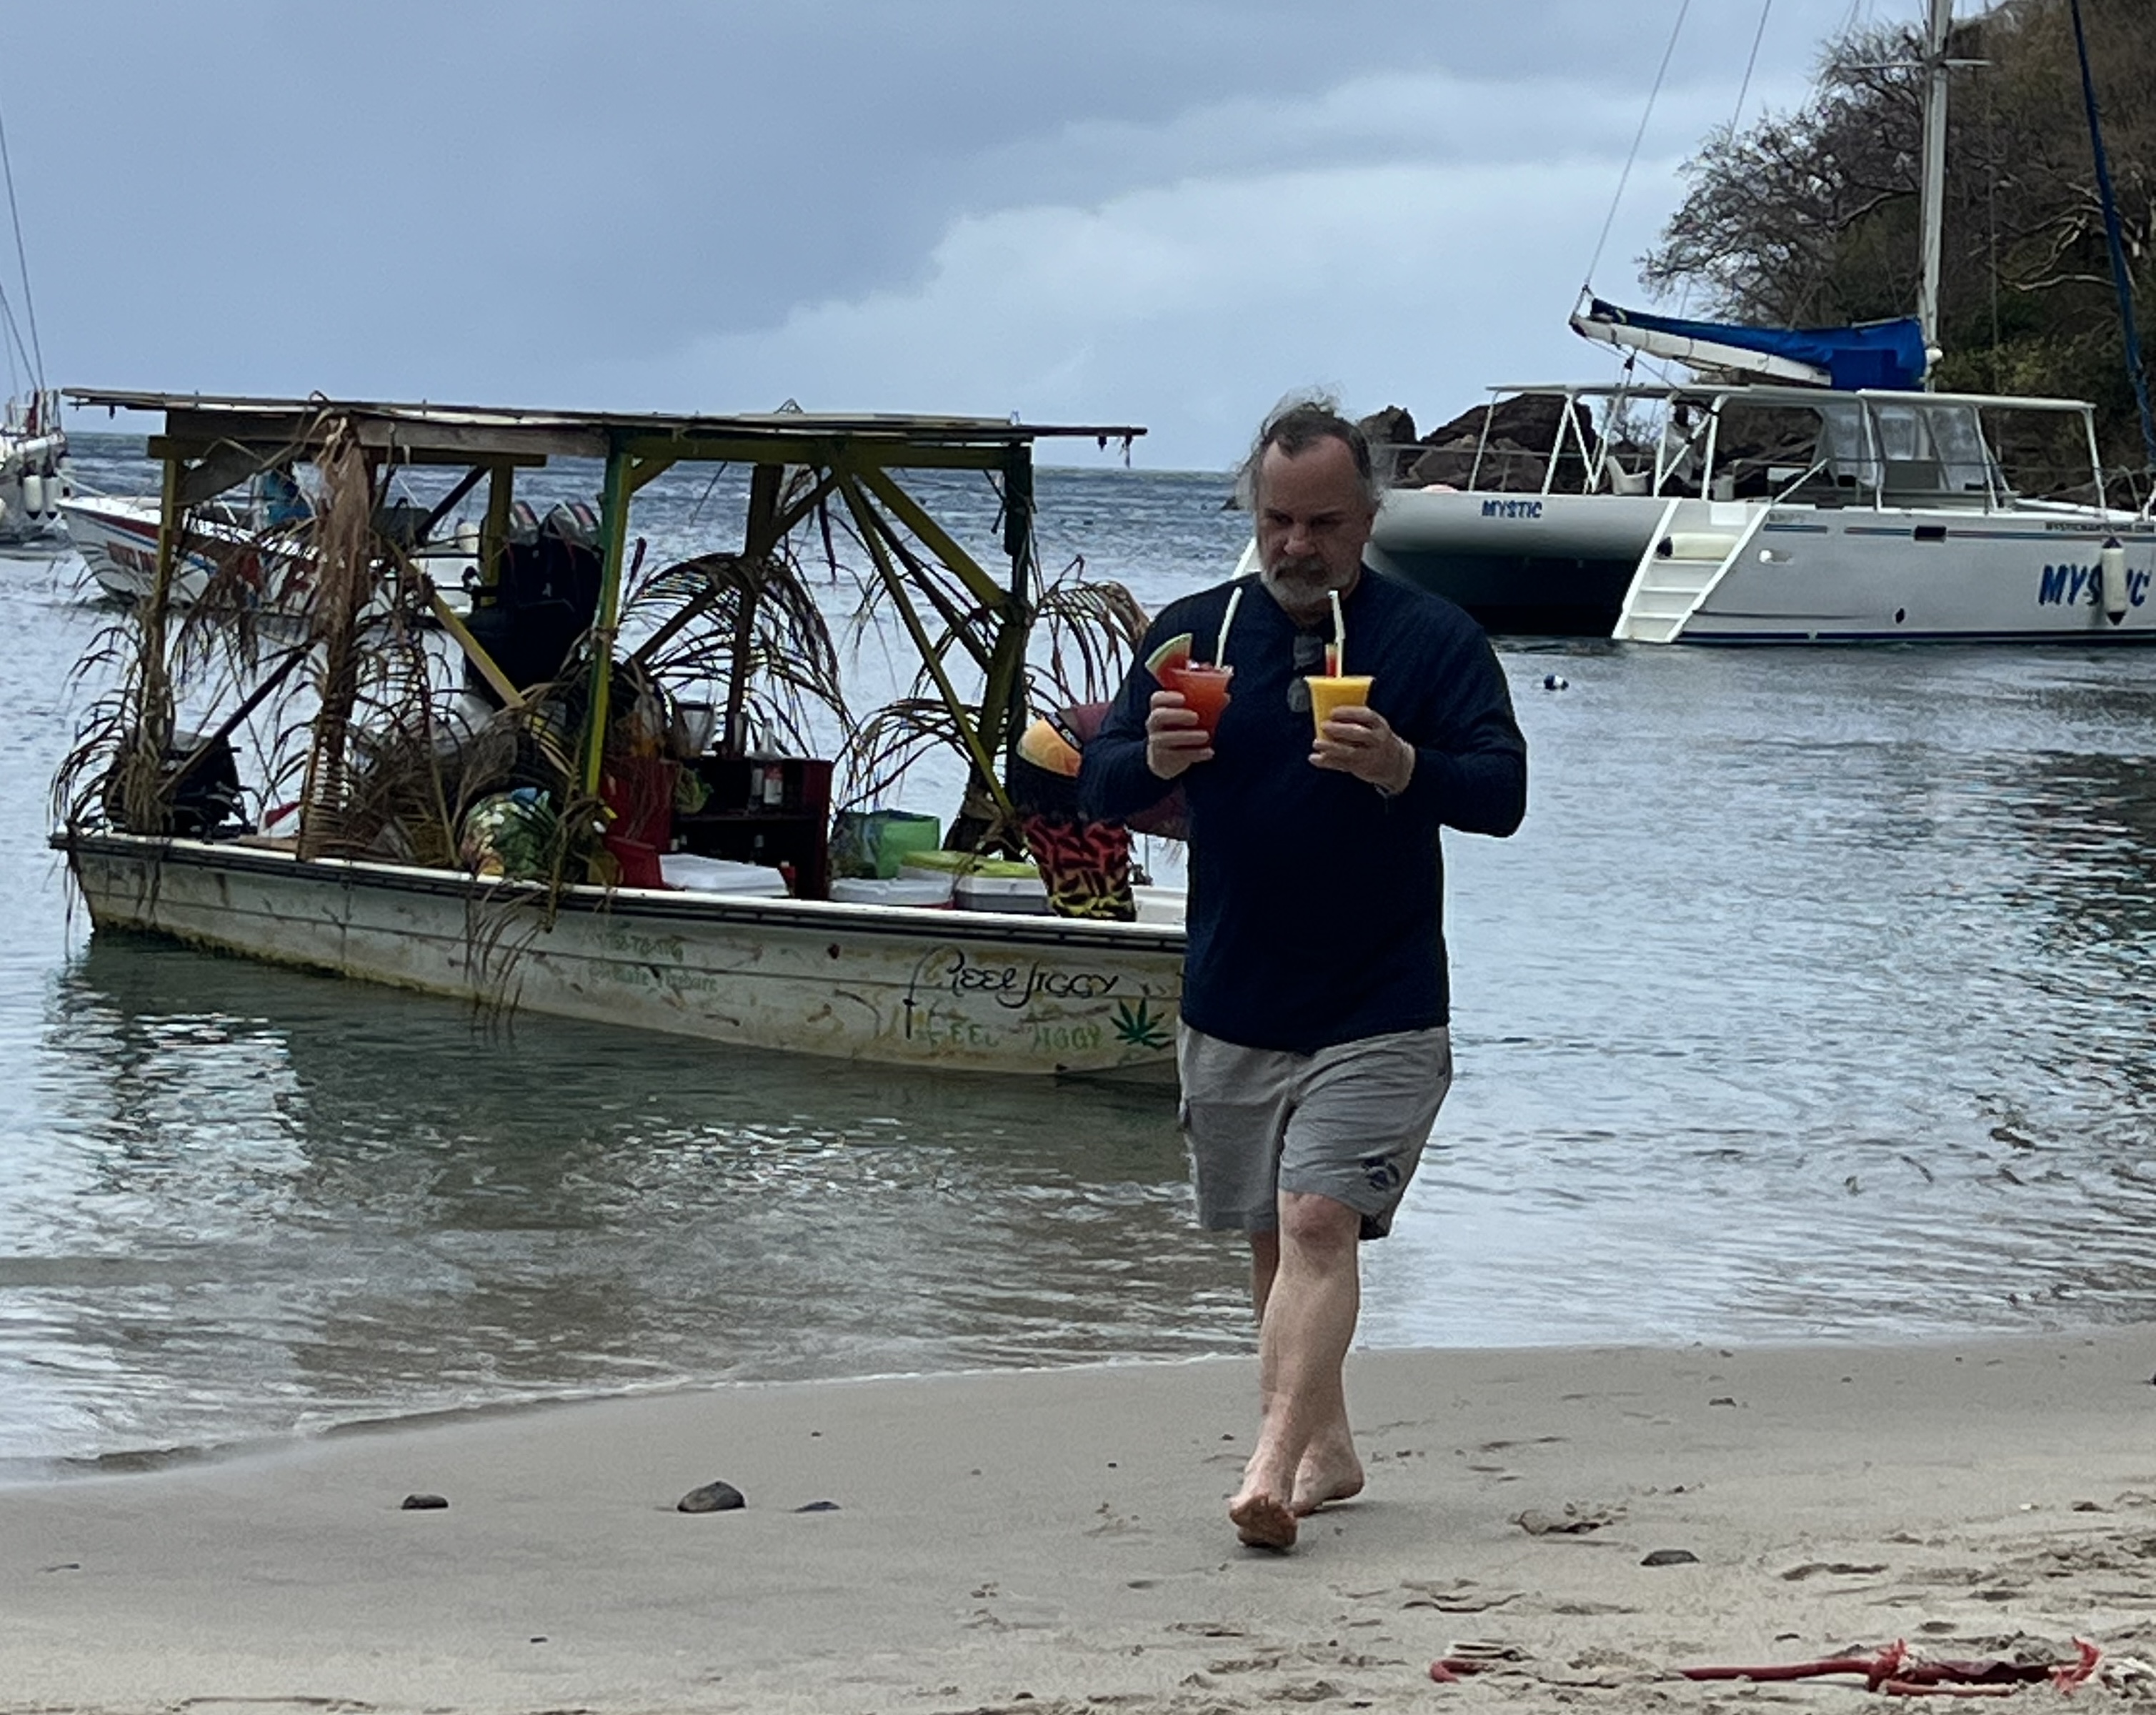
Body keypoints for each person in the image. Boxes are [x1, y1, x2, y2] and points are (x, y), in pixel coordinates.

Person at [1079, 397, 1527, 1552]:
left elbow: (1501, 794)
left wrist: (1404, 764)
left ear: (1367, 519)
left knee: (1319, 1220)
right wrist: (1149, 756)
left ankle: (1266, 1469)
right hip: (1233, 997)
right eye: (1277, 520)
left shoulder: (1432, 639)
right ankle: (1328, 1453)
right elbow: (1097, 782)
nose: (1295, 545)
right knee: (1276, 1243)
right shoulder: (1193, 636)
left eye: (1322, 523)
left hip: (1381, 1002)